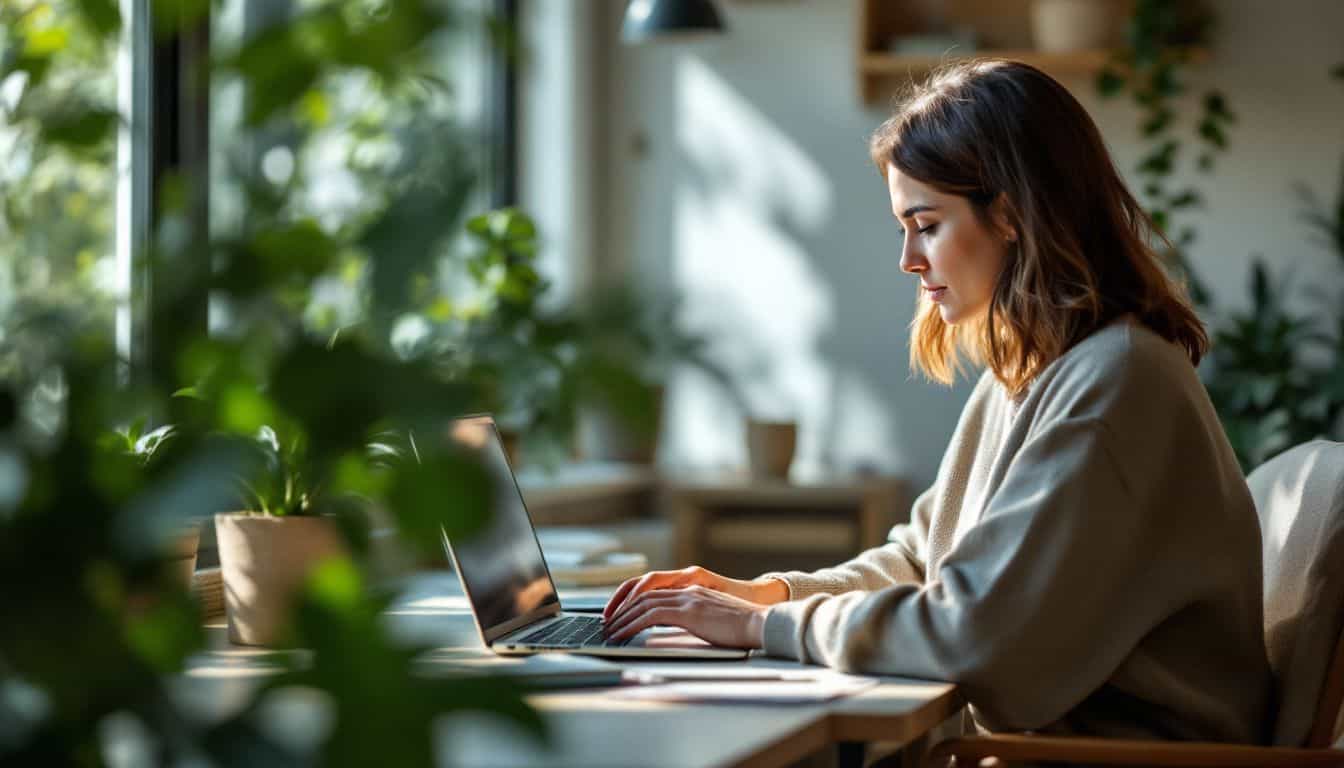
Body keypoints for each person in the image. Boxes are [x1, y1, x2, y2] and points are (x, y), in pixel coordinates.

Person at [601, 59, 1272, 744]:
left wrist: (759, 629)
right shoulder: (1033, 371)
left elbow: (974, 637)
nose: (909, 260)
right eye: (905, 228)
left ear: (1010, 214)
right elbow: (925, 561)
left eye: (926, 224)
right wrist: (769, 596)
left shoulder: (1115, 386)